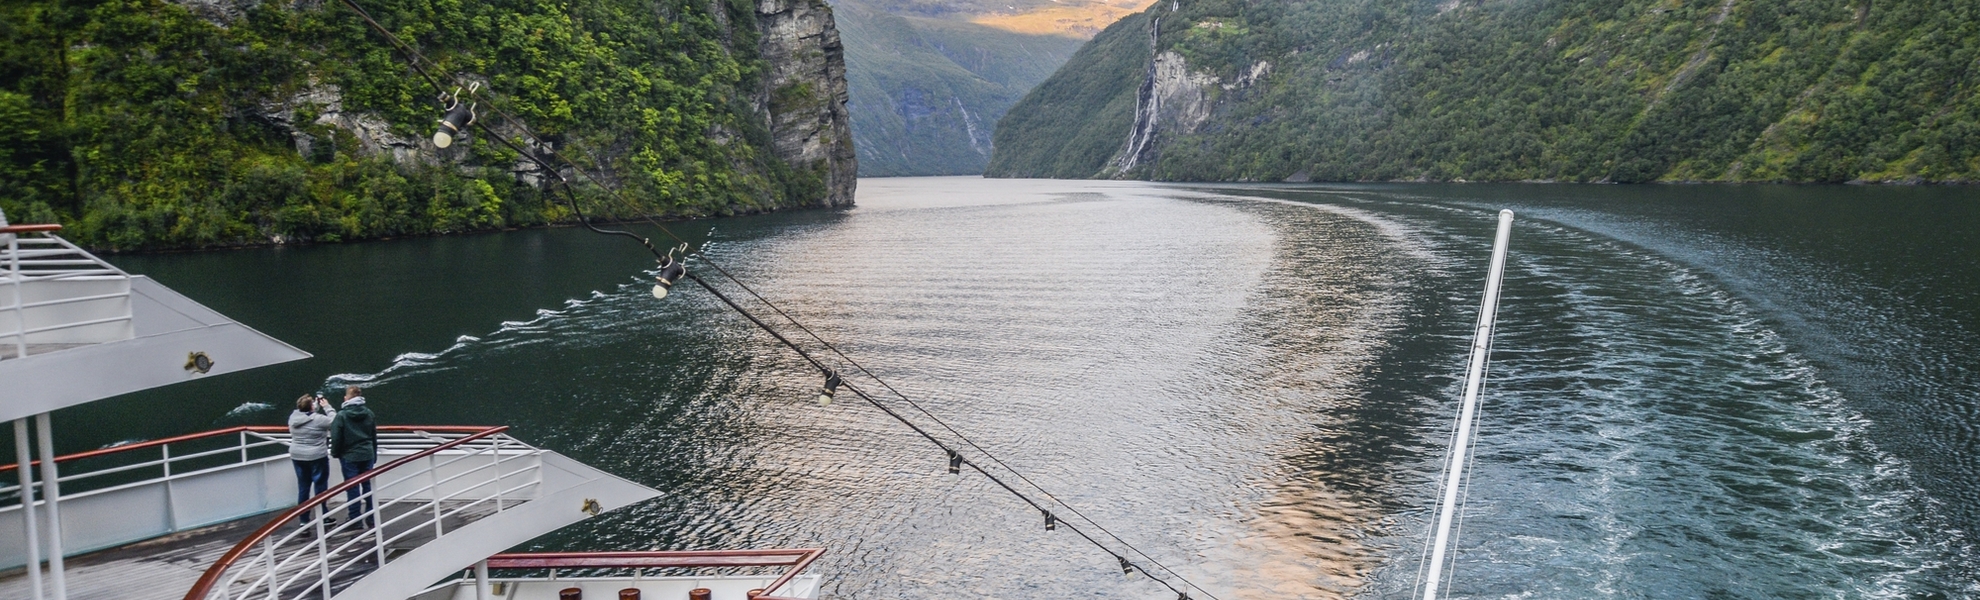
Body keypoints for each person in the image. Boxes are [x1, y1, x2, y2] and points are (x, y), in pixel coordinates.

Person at [331, 385, 378, 527]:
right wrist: (373, 453)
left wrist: (335, 453)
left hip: (349, 456)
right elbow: (373, 435)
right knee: (367, 485)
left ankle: (355, 519)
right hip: (367, 453)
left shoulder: (342, 415)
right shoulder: (369, 413)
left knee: (352, 487)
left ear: (346, 398)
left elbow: (337, 437)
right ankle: (371, 516)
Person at [287, 394, 334, 528]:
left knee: (303, 487)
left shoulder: (293, 417)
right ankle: (323, 517)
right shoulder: (319, 419)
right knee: (320, 487)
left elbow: (308, 416)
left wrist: (314, 406)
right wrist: (327, 407)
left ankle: (304, 520)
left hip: (297, 456)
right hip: (317, 457)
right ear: (311, 407)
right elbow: (334, 421)